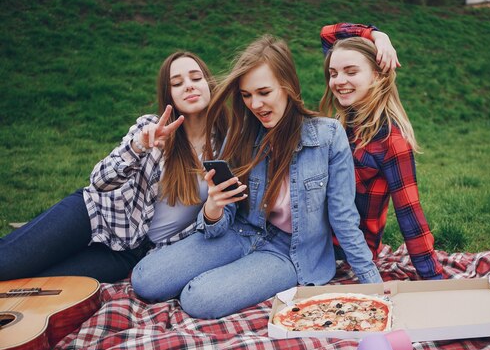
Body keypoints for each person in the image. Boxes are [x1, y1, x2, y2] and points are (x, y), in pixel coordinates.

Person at [131, 35, 382, 319]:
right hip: (240, 232)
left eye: (264, 92)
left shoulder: (328, 137)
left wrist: (373, 284)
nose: (256, 104)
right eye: (247, 95)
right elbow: (219, 222)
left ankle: (230, 277)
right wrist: (213, 209)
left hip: (288, 253)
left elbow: (344, 218)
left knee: (198, 298)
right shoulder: (241, 135)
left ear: (287, 86)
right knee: (146, 279)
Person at [0, 51, 227, 283]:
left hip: (129, 255)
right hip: (95, 215)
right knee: (6, 265)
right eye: (177, 83)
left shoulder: (225, 148)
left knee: (35, 285)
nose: (188, 86)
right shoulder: (150, 127)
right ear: (169, 94)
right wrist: (138, 146)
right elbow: (99, 181)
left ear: (209, 84)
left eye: (196, 78)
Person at [319, 24, 444, 280]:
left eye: (351, 71)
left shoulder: (390, 140)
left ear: (378, 75)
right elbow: (327, 34)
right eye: (333, 73)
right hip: (310, 235)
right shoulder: (346, 121)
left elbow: (410, 215)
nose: (339, 81)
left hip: (344, 252)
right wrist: (377, 35)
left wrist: (434, 280)